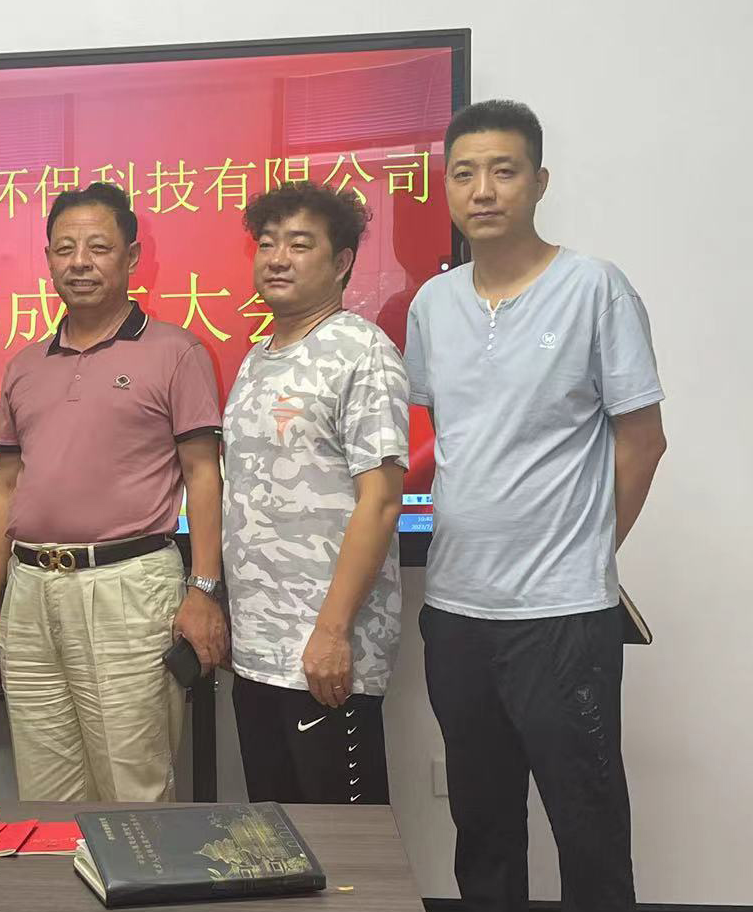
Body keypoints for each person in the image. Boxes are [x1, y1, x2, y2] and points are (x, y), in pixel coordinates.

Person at [406, 100, 666, 912]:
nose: (483, 190)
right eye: (464, 174)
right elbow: (449, 436)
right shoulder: (432, 304)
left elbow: (643, 440)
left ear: (539, 181)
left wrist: (586, 549)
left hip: (561, 616)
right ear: (447, 188)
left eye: (504, 171)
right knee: (482, 828)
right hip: (456, 612)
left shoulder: (593, 288)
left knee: (588, 827)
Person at [0, 182, 225, 802]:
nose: (79, 262)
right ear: (48, 259)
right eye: (64, 249)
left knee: (134, 789)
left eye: (98, 248)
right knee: (46, 792)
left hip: (128, 587)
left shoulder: (177, 352)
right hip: (29, 591)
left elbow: (203, 475)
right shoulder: (25, 364)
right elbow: (5, 485)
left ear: (132, 257)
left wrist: (203, 590)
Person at [223, 182, 408, 805]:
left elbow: (381, 501)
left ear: (342, 262)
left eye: (300, 245)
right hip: (257, 653)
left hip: (326, 655)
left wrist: (331, 633)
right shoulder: (257, 360)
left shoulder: (363, 351)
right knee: (277, 835)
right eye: (267, 243)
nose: (278, 258)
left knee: (345, 844)